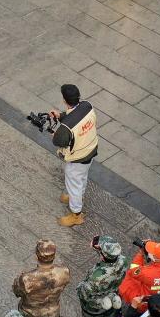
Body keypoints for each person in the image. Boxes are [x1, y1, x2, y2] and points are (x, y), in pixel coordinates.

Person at [49, 83, 98, 226]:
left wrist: (55, 135)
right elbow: (74, 116)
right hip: (91, 149)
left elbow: (59, 140)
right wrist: (60, 116)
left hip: (78, 157)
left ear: (64, 100)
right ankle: (78, 197)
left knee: (73, 183)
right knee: (82, 177)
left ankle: (76, 214)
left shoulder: (66, 128)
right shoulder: (86, 106)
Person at [12, 239, 69, 317]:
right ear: (54, 255)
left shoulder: (26, 279)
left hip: (31, 315)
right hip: (52, 314)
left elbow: (17, 292)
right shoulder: (64, 272)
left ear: (36, 256)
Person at [75, 235, 126, 317]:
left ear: (102, 256)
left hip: (95, 309)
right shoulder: (122, 261)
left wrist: (80, 285)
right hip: (113, 297)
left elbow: (83, 294)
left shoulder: (97, 277)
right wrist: (99, 248)